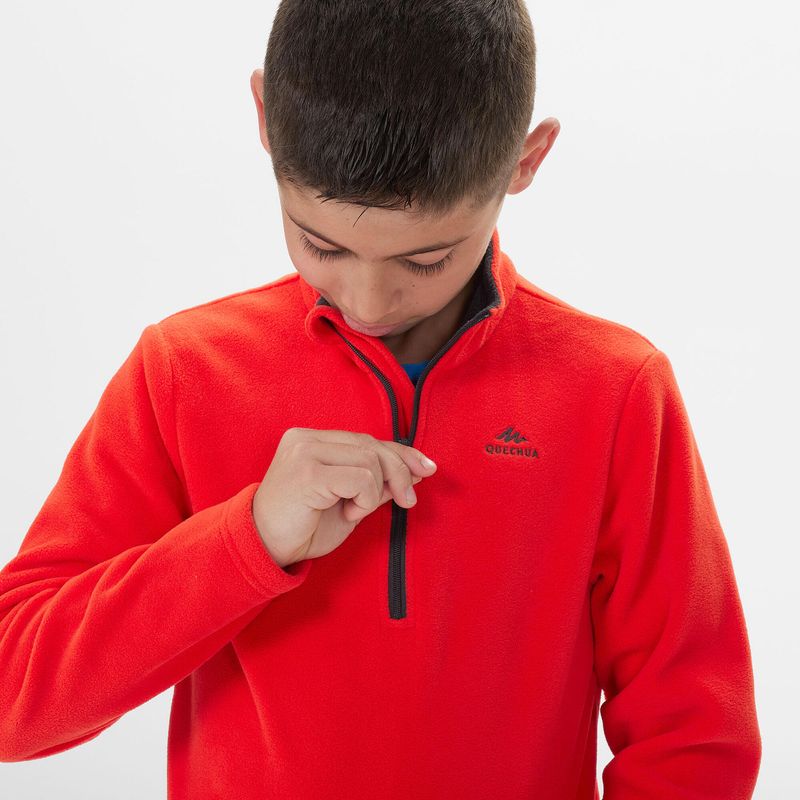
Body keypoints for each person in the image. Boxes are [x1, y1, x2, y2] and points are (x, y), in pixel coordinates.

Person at [0, 1, 761, 798]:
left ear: (526, 161)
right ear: (263, 120)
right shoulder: (184, 373)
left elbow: (694, 736)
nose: (368, 302)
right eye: (320, 243)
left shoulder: (615, 391)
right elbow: (16, 695)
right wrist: (249, 538)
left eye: (426, 259)